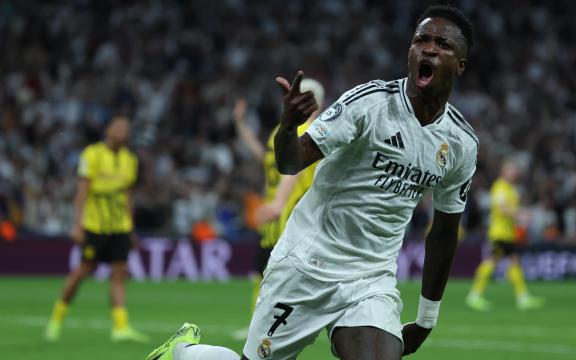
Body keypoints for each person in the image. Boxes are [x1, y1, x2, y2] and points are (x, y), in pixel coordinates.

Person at [147, 5, 478, 359]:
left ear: (460, 64)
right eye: (420, 40)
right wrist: (288, 127)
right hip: (306, 262)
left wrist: (427, 318)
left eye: (441, 44)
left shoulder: (459, 143)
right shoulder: (368, 105)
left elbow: (443, 232)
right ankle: (183, 352)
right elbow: (290, 163)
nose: (427, 48)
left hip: (369, 278)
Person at [231, 80, 324, 338]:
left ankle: (275, 327)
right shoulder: (284, 131)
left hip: (291, 215)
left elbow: (292, 172)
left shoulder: (304, 131)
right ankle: (259, 325)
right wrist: (240, 124)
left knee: (279, 276)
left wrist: (278, 203)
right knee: (263, 272)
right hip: (275, 215)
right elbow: (265, 157)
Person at [44, 117, 148, 343]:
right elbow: (81, 193)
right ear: (107, 130)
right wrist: (77, 225)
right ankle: (56, 320)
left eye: (126, 129)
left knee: (119, 274)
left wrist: (131, 228)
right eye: (118, 127)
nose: (123, 132)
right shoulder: (92, 154)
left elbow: (128, 195)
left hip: (120, 225)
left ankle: (120, 327)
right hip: (95, 225)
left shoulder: (130, 159)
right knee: (82, 271)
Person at [466, 160, 544, 311]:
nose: (514, 173)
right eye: (510, 170)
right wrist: (521, 214)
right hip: (499, 232)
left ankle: (522, 297)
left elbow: (510, 210)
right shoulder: (500, 187)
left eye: (514, 170)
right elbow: (502, 209)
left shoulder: (511, 189)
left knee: (512, 261)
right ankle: (474, 295)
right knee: (493, 261)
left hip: (508, 233)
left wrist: (519, 217)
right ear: (504, 171)